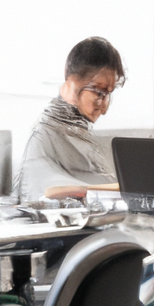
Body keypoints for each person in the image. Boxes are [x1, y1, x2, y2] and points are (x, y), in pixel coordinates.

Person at [13, 37, 125, 203]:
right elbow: (41, 194)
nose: (104, 108)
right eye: (98, 91)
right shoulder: (43, 136)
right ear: (72, 82)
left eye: (108, 94)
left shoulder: (78, 132)